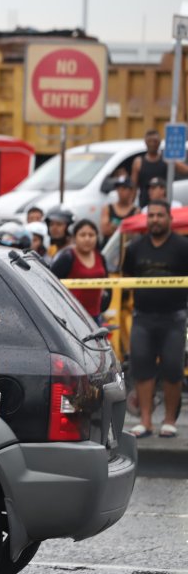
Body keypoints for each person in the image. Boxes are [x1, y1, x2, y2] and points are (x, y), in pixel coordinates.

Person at [122, 200, 188, 439]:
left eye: (160, 215)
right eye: (151, 216)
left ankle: (170, 421)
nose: (155, 220)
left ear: (170, 219)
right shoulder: (135, 247)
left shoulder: (182, 246)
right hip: (142, 317)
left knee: (172, 368)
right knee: (142, 368)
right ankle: (146, 421)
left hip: (174, 317)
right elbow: (126, 276)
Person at [51, 220, 108, 321]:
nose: (87, 239)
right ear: (74, 238)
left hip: (96, 316)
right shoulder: (67, 257)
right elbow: (50, 281)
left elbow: (107, 283)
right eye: (82, 235)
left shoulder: (100, 257)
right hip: (72, 317)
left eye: (91, 235)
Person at [131, 129, 187, 207]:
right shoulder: (138, 162)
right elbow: (133, 187)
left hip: (163, 203)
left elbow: (185, 170)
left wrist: (172, 161)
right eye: (149, 141)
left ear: (159, 142)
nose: (152, 144)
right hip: (145, 204)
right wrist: (130, 205)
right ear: (145, 142)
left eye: (155, 141)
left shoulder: (166, 159)